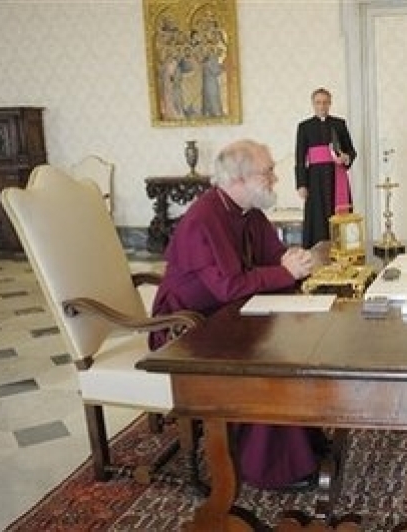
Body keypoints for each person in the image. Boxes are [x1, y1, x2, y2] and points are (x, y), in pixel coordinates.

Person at [149, 139, 325, 490]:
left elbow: (273, 255)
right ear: (239, 178)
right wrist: (285, 273)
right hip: (187, 330)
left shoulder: (249, 213)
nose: (275, 177)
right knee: (264, 364)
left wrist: (296, 260)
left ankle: (302, 448)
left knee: (292, 347)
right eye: (268, 171)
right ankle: (271, 468)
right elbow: (227, 287)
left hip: (231, 316)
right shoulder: (203, 218)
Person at [295, 87, 357, 248]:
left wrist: (346, 157)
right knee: (317, 217)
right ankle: (317, 254)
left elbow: (351, 151)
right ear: (313, 104)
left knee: (338, 214)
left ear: (330, 104)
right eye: (318, 103)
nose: (322, 106)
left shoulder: (339, 124)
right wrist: (301, 184)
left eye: (325, 102)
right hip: (315, 180)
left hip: (337, 177)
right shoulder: (304, 127)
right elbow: (300, 158)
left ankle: (342, 250)